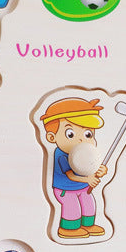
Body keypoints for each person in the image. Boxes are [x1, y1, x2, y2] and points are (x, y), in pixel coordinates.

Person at [41, 96, 108, 238]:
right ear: (52, 137)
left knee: (89, 205)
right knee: (72, 208)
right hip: (66, 190)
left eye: (88, 134)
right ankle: (68, 229)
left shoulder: (86, 153)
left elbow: (90, 166)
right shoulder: (61, 155)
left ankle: (88, 225)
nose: (81, 139)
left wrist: (100, 170)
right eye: (70, 134)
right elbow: (70, 175)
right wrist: (88, 180)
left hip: (82, 187)